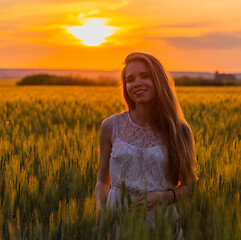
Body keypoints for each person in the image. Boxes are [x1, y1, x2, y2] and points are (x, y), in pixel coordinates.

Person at [95, 52, 198, 239]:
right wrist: (102, 216)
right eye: (130, 79)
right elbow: (102, 181)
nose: (137, 83)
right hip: (118, 221)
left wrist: (162, 197)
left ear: (159, 80)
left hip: (160, 223)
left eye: (145, 76)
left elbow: (189, 186)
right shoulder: (110, 126)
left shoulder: (179, 131)